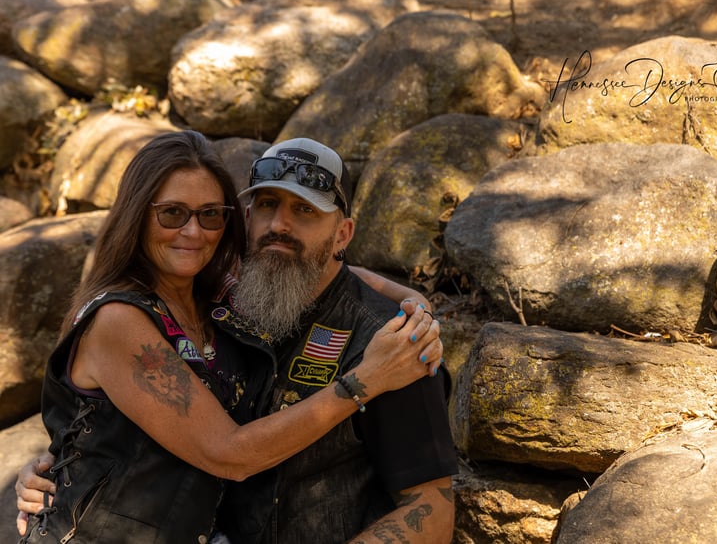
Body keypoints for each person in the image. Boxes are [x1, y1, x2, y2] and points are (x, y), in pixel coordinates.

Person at [15, 130, 441, 544]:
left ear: (343, 235)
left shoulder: (220, 299)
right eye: (171, 213)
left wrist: (412, 303)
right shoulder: (122, 319)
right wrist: (366, 380)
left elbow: (433, 511)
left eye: (210, 215)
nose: (193, 232)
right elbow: (228, 453)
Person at [209, 137, 459, 543]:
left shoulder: (393, 344)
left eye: (304, 209)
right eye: (268, 205)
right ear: (248, 217)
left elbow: (430, 513)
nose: (278, 226)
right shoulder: (214, 306)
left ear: (343, 235)